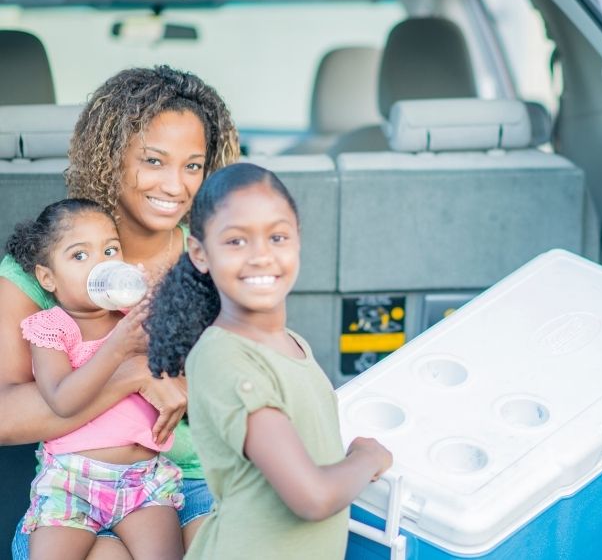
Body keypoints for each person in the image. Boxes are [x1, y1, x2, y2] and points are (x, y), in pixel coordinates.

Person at [1, 65, 240, 560]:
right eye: (154, 160)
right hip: (77, 489)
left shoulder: (210, 260)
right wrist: (134, 373)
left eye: (192, 166)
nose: (175, 186)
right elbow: (4, 415)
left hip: (193, 481)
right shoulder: (44, 263)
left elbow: (237, 392)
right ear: (111, 158)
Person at [146, 163, 393, 559]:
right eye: (236, 241)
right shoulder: (223, 358)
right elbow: (311, 497)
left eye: (277, 236)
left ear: (298, 240)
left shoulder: (291, 344)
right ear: (200, 253)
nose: (261, 256)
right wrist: (366, 458)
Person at [7, 199, 184, 560]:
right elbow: (61, 399)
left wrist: (152, 307)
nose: (100, 264)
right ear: (47, 278)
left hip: (142, 481)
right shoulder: (52, 327)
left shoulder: (132, 319)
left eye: (109, 250)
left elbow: (176, 375)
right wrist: (117, 350)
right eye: (79, 256)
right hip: (72, 481)